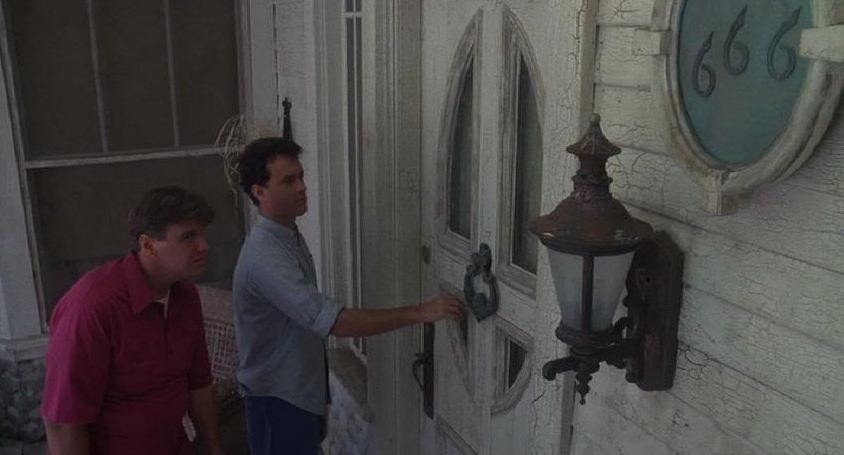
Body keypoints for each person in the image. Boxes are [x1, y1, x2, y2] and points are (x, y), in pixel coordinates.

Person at [233, 137, 463, 455]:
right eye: (288, 181)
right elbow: (336, 323)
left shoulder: (287, 235)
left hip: (299, 392)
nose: (302, 187)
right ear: (260, 192)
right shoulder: (265, 257)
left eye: (301, 176)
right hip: (278, 399)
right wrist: (420, 312)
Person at [40, 186, 225, 455]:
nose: (204, 246)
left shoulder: (185, 296)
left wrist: (214, 449)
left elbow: (199, 384)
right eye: (188, 237)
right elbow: (63, 419)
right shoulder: (93, 304)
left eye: (203, 235)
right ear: (147, 244)